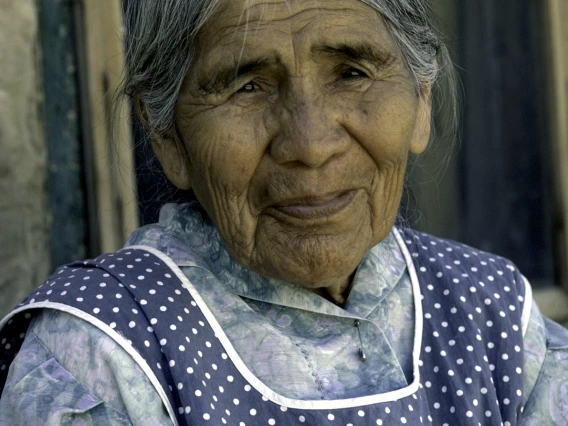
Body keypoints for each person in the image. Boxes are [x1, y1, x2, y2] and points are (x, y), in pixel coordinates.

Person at [1, 0, 567, 424]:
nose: (310, 143)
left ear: (421, 99)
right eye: (248, 86)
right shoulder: (102, 353)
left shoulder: (492, 313)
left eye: (351, 73)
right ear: (167, 136)